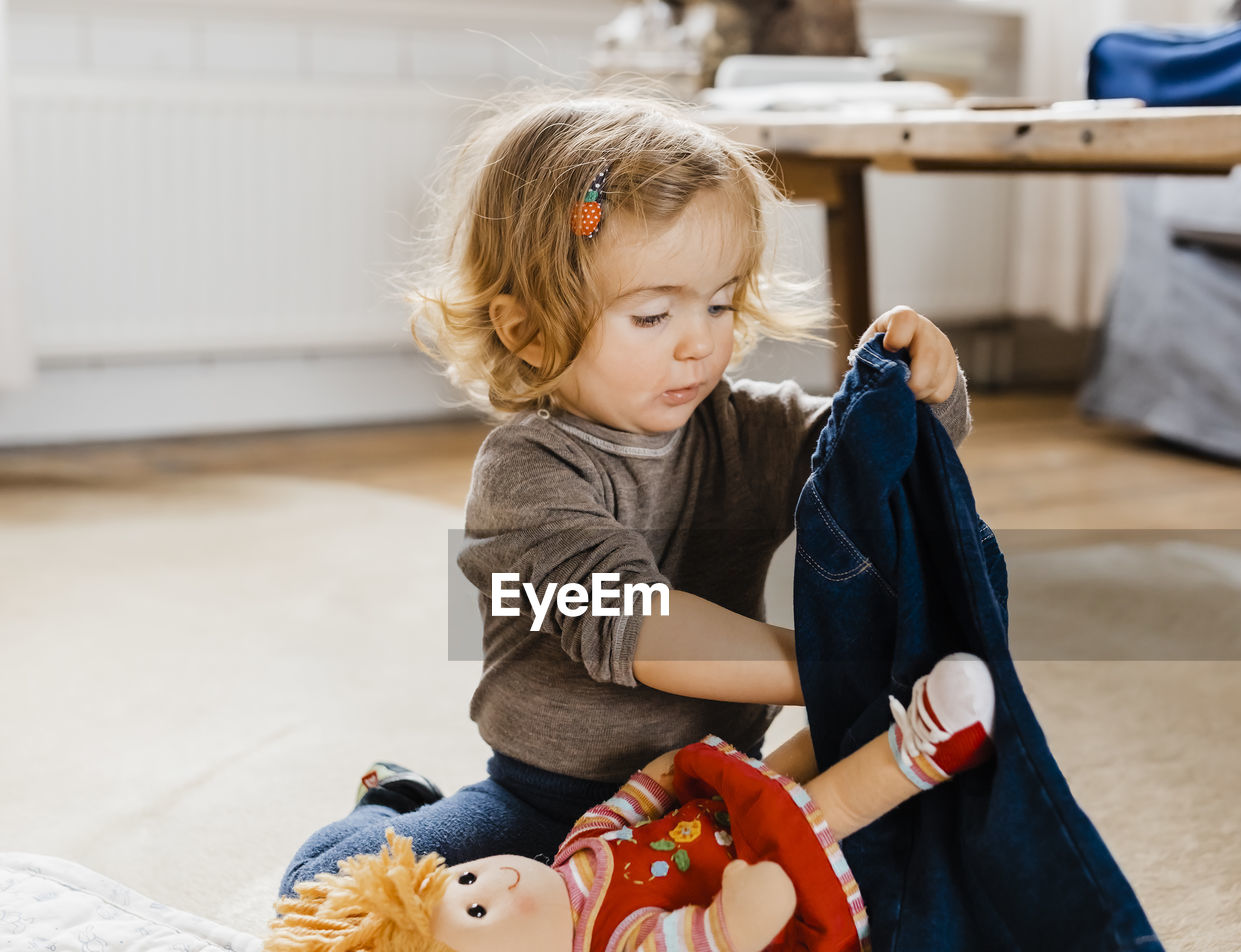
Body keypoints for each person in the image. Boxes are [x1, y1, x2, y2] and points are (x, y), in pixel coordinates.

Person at [281, 90, 972, 893]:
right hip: (551, 798)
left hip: (711, 791)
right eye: (652, 316)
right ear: (526, 328)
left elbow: (877, 466)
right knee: (331, 894)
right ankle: (393, 802)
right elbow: (643, 629)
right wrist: (827, 665)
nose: (700, 341)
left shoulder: (744, 425)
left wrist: (922, 389)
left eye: (719, 302)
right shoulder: (526, 475)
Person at [261, 653, 1001, 952]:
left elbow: (617, 818)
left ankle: (394, 801)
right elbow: (696, 944)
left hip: (712, 802)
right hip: (737, 864)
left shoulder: (570, 863)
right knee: (811, 811)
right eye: (478, 909)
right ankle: (928, 748)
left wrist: (660, 776)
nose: (485, 880)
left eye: (463, 883)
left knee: (772, 778)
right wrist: (738, 918)